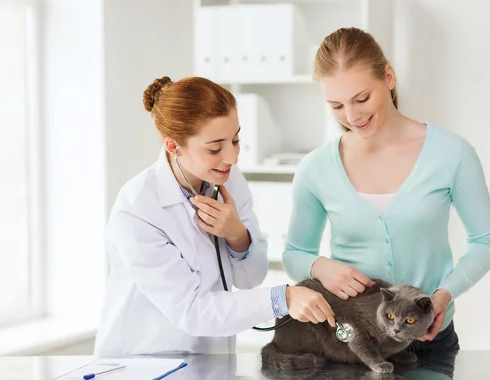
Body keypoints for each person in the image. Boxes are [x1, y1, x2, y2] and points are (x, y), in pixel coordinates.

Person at [282, 28, 490, 350]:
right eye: (336, 105)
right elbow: (295, 253)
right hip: (350, 344)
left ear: (388, 77)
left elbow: (486, 241)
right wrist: (320, 267)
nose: (352, 116)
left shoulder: (451, 153)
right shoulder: (316, 168)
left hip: (429, 339)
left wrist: (443, 295)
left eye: (362, 98)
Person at [94, 76, 335, 356]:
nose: (232, 157)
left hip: (209, 360)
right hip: (143, 362)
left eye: (235, 140)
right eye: (214, 148)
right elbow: (192, 310)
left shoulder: (227, 181)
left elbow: (250, 278)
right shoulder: (138, 210)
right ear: (174, 146)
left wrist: (237, 235)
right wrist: (283, 298)